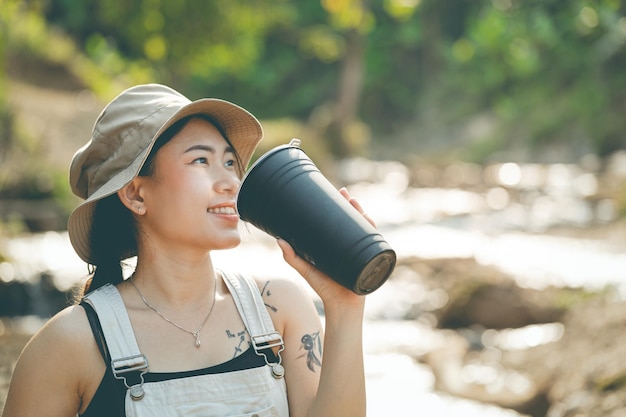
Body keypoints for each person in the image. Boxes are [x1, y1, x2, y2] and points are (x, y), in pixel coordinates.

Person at [1, 84, 372, 417]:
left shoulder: (280, 309)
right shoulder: (68, 344)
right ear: (136, 194)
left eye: (230, 162)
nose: (231, 182)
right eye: (201, 160)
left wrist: (345, 306)